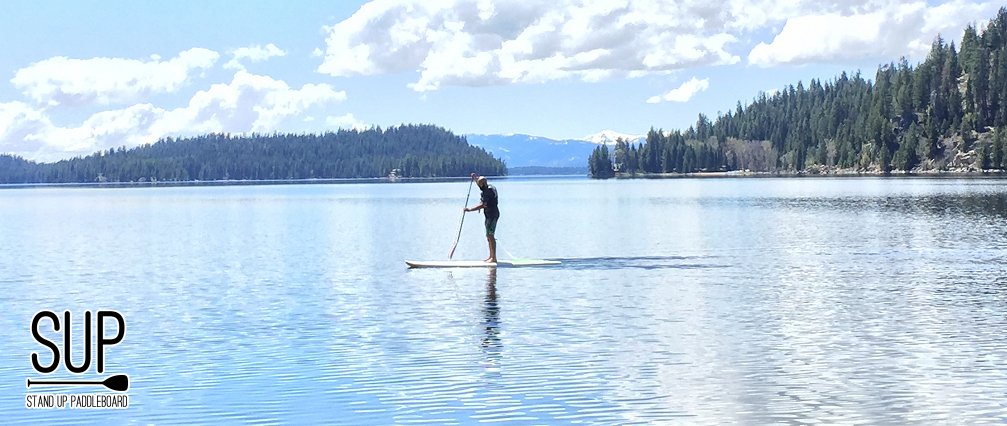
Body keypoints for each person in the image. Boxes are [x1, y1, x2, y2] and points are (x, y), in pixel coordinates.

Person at [464, 173, 499, 263]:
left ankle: (494, 258)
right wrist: (475, 178)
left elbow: (483, 205)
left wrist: (470, 209)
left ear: (482, 184)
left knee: (490, 235)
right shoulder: (489, 187)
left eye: (479, 184)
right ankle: (491, 256)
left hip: (492, 215)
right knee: (488, 236)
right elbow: (481, 184)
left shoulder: (487, 192)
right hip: (489, 215)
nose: (478, 186)